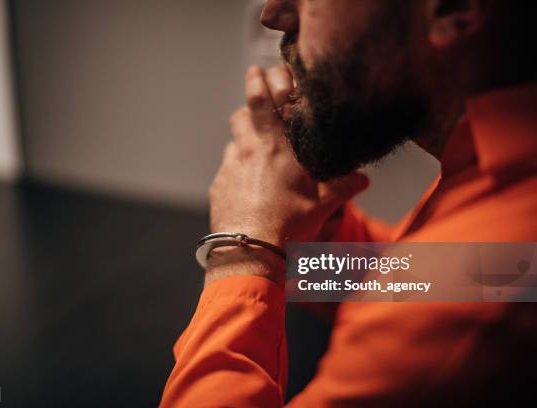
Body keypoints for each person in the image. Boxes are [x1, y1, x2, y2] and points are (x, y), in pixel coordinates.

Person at [161, 0, 537, 406]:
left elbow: (427, 306)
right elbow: (424, 280)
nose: (274, 14)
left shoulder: (454, 316)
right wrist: (312, 240)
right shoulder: (500, 176)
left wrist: (244, 251)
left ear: (451, 8)